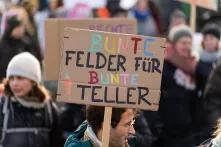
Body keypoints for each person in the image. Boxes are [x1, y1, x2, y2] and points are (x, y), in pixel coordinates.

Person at [0, 52, 63, 147]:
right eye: (11, 78)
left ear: (33, 81)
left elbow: (57, 142)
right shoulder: (3, 107)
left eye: (20, 78)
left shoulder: (49, 109)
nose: (14, 83)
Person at [159, 24, 198, 147]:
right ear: (174, 44)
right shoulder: (162, 65)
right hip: (165, 135)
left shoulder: (194, 66)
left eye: (189, 42)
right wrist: (158, 128)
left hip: (188, 134)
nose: (187, 46)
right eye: (183, 43)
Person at [64, 106, 137, 147]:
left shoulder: (128, 143)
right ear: (106, 126)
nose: (133, 131)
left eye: (132, 123)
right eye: (127, 124)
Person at [0, 16, 36, 82]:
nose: (21, 30)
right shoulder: (4, 45)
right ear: (11, 29)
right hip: (7, 80)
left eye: (21, 28)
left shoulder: (26, 42)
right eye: (18, 28)